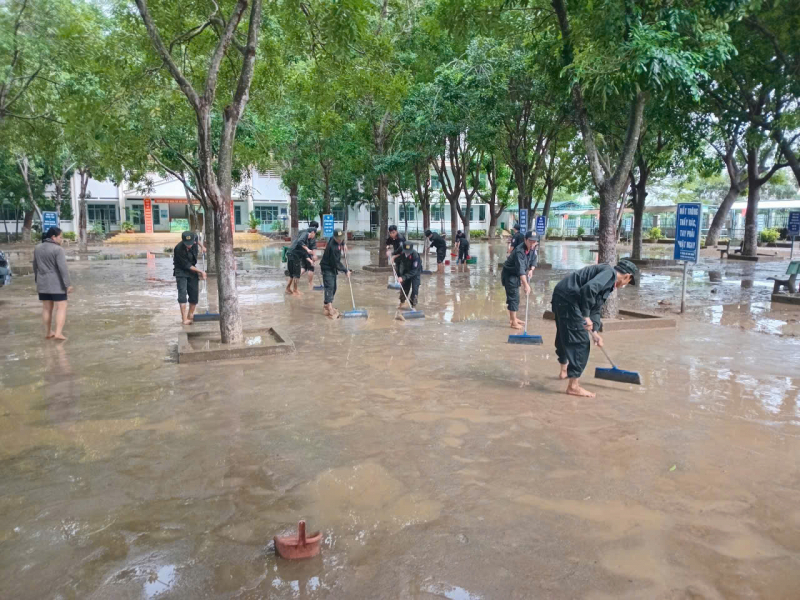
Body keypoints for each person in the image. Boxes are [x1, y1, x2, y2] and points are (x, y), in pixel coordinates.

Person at [552, 259, 639, 398]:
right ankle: (573, 386)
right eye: (628, 282)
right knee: (580, 343)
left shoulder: (606, 281)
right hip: (569, 299)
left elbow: (595, 309)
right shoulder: (610, 274)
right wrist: (585, 316)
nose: (625, 285)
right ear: (627, 276)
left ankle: (564, 371)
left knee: (565, 333)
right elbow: (588, 289)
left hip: (562, 296)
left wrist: (595, 332)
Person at [33, 227, 73, 340]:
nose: (62, 239)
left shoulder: (37, 248)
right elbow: (63, 269)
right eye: (60, 237)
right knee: (62, 307)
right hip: (56, 284)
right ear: (53, 237)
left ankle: (48, 332)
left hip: (42, 283)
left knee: (46, 308)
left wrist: (38, 281)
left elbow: (35, 267)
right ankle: (58, 333)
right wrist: (67, 284)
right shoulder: (58, 249)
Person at [501, 231, 538, 329]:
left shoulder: (532, 248)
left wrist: (531, 269)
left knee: (514, 297)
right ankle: (513, 322)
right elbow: (521, 270)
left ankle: (514, 318)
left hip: (516, 275)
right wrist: (526, 285)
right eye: (530, 241)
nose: (532, 243)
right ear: (525, 240)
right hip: (510, 275)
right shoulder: (519, 251)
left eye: (534, 242)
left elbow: (533, 259)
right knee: (514, 297)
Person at [173, 231, 207, 324]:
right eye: (187, 244)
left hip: (192, 270)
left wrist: (202, 246)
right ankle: (184, 319)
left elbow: (197, 238)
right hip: (181, 271)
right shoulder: (178, 249)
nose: (189, 246)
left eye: (191, 244)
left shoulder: (194, 239)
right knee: (182, 294)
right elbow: (186, 265)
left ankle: (190, 315)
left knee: (194, 293)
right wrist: (200, 271)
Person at [320, 229, 352, 319]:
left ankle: (326, 305)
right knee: (329, 286)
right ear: (334, 238)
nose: (340, 240)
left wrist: (343, 244)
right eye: (338, 239)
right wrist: (346, 271)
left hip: (332, 267)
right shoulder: (332, 247)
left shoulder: (335, 240)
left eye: (341, 238)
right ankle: (329, 308)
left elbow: (341, 240)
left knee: (334, 287)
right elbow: (336, 263)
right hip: (327, 267)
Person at [285, 226, 317, 296]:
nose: (314, 236)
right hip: (294, 255)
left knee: (292, 273)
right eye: (315, 234)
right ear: (312, 233)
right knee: (297, 273)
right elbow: (300, 241)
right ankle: (295, 291)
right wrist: (308, 249)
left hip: (291, 254)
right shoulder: (305, 234)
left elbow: (304, 254)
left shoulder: (307, 241)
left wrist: (310, 261)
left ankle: (288, 288)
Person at [396, 241, 422, 309]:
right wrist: (399, 276)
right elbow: (398, 265)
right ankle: (401, 304)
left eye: (409, 251)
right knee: (404, 288)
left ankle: (413, 306)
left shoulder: (415, 255)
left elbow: (414, 271)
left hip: (415, 273)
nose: (407, 253)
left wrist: (403, 277)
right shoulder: (401, 254)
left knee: (415, 289)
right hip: (405, 271)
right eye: (406, 251)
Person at [300, 221, 319, 290]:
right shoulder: (312, 234)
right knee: (311, 268)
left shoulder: (304, 232)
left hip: (301, 252)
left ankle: (295, 277)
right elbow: (313, 246)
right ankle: (310, 283)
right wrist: (314, 256)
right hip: (308, 252)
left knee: (304, 267)